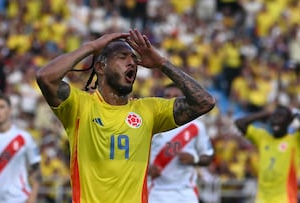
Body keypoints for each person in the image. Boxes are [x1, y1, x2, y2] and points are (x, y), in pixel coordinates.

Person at [36, 28, 215, 203]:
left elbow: (204, 102)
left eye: (133, 59)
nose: (131, 63)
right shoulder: (80, 106)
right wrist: (91, 47)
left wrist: (161, 63)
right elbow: (45, 77)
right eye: (122, 57)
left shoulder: (148, 110)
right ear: (100, 67)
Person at [148, 83, 214, 203]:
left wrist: (194, 159)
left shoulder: (196, 126)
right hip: (156, 191)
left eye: (175, 96)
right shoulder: (152, 125)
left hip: (186, 192)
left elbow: (208, 157)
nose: (171, 99)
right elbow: (134, 155)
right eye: (167, 96)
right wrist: (147, 169)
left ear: (183, 99)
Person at [234, 105, 300, 203]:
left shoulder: (296, 140)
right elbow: (240, 123)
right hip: (262, 199)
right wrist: (265, 113)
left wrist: (290, 112)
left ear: (288, 121)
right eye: (274, 116)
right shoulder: (263, 137)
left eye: (280, 116)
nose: (276, 119)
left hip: (285, 199)